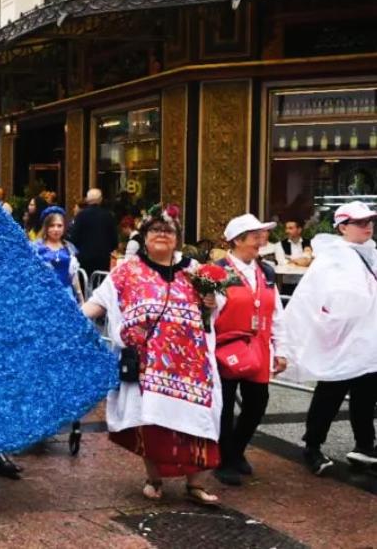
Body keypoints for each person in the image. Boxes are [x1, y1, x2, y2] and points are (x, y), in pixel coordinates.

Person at [81, 204, 222, 506]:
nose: (162, 235)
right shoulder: (126, 271)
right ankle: (153, 479)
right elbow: (98, 303)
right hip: (147, 368)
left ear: (177, 238)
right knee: (152, 424)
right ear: (144, 236)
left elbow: (212, 308)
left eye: (168, 230)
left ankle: (195, 484)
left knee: (195, 423)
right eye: (155, 230)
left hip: (192, 368)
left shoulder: (194, 270)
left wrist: (211, 299)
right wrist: (68, 324)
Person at [281, 201, 377, 475]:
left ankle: (365, 446)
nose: (367, 226)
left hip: (368, 342)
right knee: (330, 394)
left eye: (369, 221)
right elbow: (312, 298)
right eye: (360, 222)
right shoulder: (333, 257)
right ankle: (312, 445)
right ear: (343, 227)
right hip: (341, 341)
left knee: (366, 396)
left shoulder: (371, 253)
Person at [211, 214, 289, 486]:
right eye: (255, 236)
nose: (261, 240)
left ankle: (235, 449)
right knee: (224, 406)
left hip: (257, 349)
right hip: (225, 350)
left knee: (257, 404)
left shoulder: (266, 271)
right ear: (237, 240)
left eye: (262, 235)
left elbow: (276, 312)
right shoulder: (218, 272)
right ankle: (223, 459)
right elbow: (208, 314)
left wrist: (281, 349)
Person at [32, 206, 82, 302]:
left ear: (64, 227)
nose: (56, 229)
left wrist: (81, 300)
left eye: (59, 226)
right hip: (43, 296)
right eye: (52, 225)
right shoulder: (36, 247)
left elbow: (74, 276)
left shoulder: (69, 248)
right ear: (46, 227)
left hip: (66, 296)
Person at [68, 188, 118, 278]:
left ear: (87, 199)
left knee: (84, 283)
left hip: (84, 258)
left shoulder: (81, 216)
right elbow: (114, 240)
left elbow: (74, 238)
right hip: (102, 258)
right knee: (100, 284)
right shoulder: (108, 216)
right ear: (101, 200)